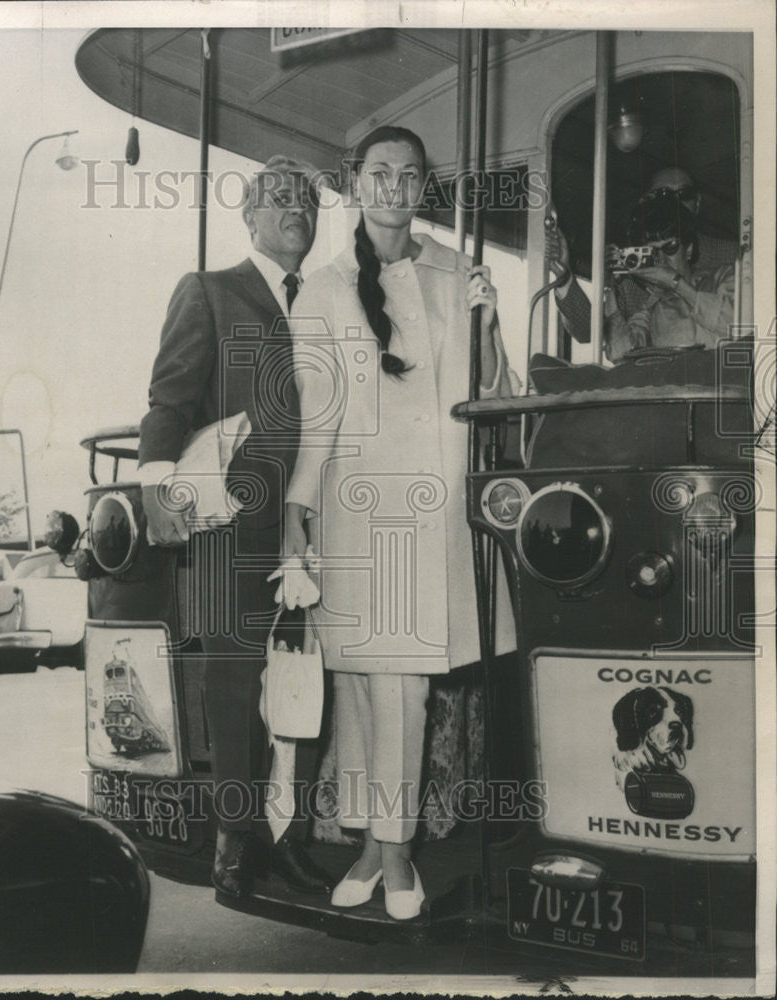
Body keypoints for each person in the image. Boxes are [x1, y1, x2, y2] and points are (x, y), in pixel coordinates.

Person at [283, 126, 516, 920]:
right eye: (378, 172)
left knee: (404, 689)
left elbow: (493, 399)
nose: (393, 185)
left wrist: (487, 323)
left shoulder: (457, 273)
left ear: (424, 187)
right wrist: (295, 520)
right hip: (351, 509)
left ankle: (397, 851)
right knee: (356, 687)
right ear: (356, 182)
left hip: (429, 509)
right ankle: (372, 846)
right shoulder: (322, 286)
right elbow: (317, 420)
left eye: (409, 174)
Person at [137, 156, 332, 899]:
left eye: (307, 202)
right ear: (247, 217)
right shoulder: (210, 291)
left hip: (308, 525)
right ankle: (234, 842)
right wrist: (156, 483)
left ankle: (288, 838)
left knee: (306, 682)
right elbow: (169, 396)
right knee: (231, 683)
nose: (296, 213)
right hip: (229, 526)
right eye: (280, 200)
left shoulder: (329, 299)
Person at [546, 167, 737, 344]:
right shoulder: (631, 277)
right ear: (646, 203)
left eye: (684, 194)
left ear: (697, 202)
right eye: (663, 196)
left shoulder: (733, 255)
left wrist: (677, 284)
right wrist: (564, 279)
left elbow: (748, 323)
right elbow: (589, 333)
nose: (672, 202)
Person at [602, 197, 734, 361]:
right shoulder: (653, 306)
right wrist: (609, 288)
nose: (662, 259)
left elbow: (738, 325)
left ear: (689, 249)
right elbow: (620, 354)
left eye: (670, 248)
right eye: (653, 252)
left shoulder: (723, 277)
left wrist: (677, 284)